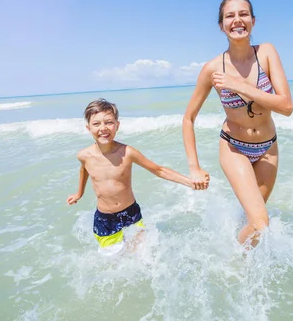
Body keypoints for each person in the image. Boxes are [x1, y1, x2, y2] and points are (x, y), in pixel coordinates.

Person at [182, 0, 293, 248]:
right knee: (261, 223)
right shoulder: (212, 69)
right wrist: (194, 167)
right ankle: (235, 258)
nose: (237, 20)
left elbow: (286, 106)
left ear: (253, 20)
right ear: (221, 25)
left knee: (252, 219)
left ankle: (243, 260)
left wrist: (238, 85)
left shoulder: (266, 53)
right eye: (229, 16)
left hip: (268, 150)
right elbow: (188, 118)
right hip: (234, 147)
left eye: (243, 14)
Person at [67, 98, 204, 253]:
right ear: (88, 128)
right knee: (115, 263)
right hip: (105, 220)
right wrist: (79, 193)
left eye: (109, 122)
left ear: (117, 125)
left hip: (131, 213)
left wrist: (189, 182)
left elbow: (158, 170)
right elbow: (84, 170)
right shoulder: (84, 155)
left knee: (141, 256)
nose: (103, 128)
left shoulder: (127, 153)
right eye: (96, 124)